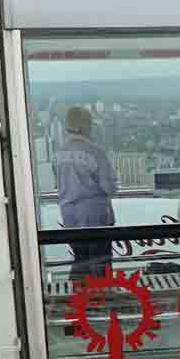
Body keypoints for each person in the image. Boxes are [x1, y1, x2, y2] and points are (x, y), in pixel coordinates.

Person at [55, 106, 117, 277]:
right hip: (95, 216)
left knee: (80, 260)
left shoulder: (60, 153)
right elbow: (109, 187)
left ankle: (78, 298)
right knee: (100, 262)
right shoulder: (96, 152)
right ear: (86, 125)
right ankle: (101, 298)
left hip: (69, 216)